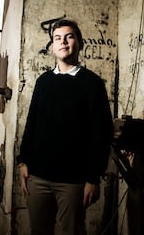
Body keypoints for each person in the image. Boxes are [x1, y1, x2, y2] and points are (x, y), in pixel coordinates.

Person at [17, 19, 113, 235]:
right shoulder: (43, 82)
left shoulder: (92, 83)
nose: (63, 42)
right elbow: (32, 122)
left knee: (72, 231)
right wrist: (23, 160)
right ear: (52, 46)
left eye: (69, 37)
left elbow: (101, 133)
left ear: (79, 43)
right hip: (38, 178)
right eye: (57, 38)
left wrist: (93, 178)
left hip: (74, 181)